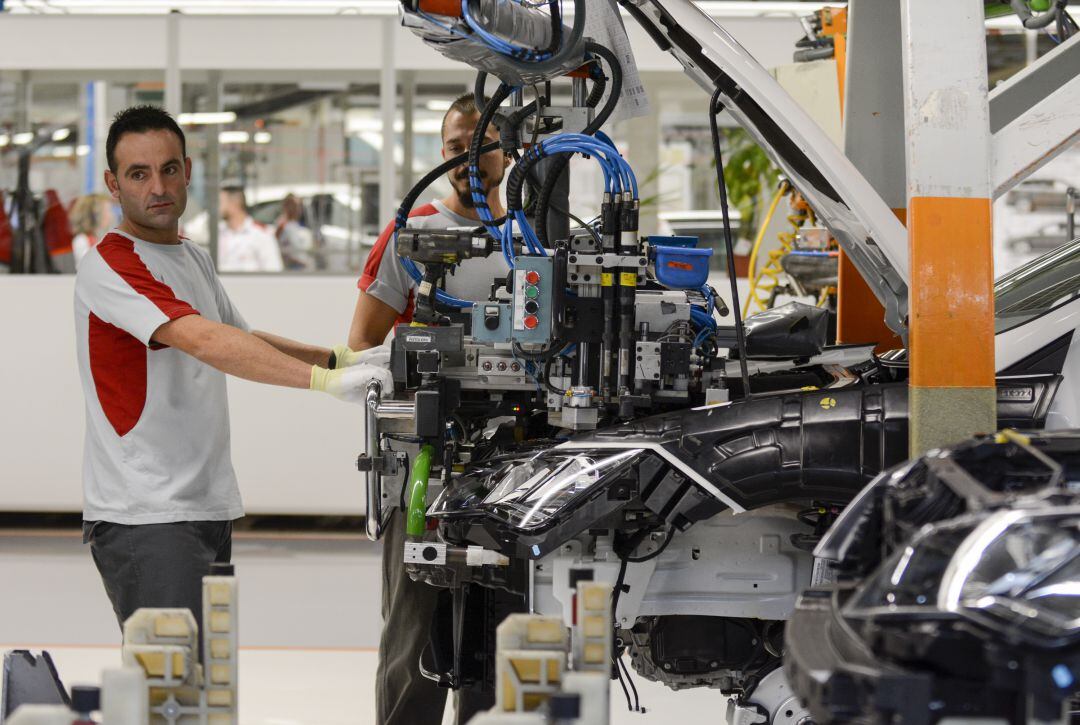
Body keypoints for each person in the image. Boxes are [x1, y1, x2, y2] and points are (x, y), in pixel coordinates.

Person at [75, 105, 388, 648]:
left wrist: (338, 360)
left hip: (202, 504)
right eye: (138, 173)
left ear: (189, 171)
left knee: (203, 683)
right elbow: (202, 339)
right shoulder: (111, 263)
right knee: (170, 688)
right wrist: (323, 385)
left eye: (169, 169)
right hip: (147, 515)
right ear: (112, 183)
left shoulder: (190, 257)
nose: (158, 186)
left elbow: (240, 336)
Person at [347, 92, 512, 725]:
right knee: (412, 644)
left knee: (502, 643)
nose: (471, 158)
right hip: (423, 467)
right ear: (439, 156)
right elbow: (363, 341)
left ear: (509, 153)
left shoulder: (531, 236)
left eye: (485, 144)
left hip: (515, 468)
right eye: (455, 147)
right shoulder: (411, 234)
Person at [217, 185, 284, 272]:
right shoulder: (218, 232)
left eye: (220, 202)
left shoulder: (261, 234)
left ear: (234, 204)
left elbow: (273, 272)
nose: (217, 207)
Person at [71, 193, 116, 266]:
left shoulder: (98, 239)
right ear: (95, 214)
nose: (111, 215)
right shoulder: (82, 241)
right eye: (108, 210)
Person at [274, 193, 314, 270]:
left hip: (303, 266)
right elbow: (276, 246)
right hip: (290, 267)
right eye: (294, 205)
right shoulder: (282, 225)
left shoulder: (299, 224)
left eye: (299, 206)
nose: (298, 209)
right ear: (286, 207)